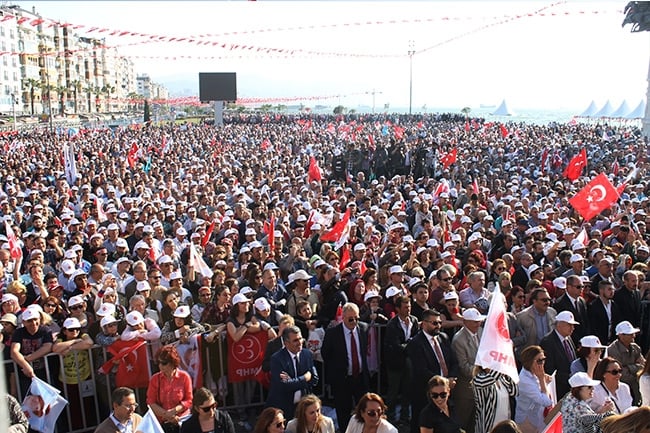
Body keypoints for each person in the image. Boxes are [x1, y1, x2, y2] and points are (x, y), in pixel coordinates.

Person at [407, 308, 458, 433]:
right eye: (434, 323)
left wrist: (451, 378)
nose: (438, 326)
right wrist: (443, 382)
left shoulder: (443, 338)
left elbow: (453, 361)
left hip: (446, 392)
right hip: (425, 393)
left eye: (440, 323)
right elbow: (421, 370)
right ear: (424, 323)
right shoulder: (416, 343)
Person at [321, 302, 369, 432]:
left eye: (357, 318)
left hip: (360, 377)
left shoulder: (364, 329)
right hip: (342, 380)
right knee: (343, 413)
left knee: (364, 410)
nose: (354, 321)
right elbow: (325, 353)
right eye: (351, 319)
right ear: (343, 318)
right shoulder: (333, 333)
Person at [52, 317, 95, 430]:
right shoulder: (60, 339)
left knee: (87, 405)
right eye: (71, 330)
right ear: (65, 330)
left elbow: (89, 343)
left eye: (77, 329)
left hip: (84, 377)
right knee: (73, 408)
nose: (75, 332)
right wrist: (74, 342)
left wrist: (69, 348)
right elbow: (56, 348)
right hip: (68, 380)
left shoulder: (83, 336)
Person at [266, 326, 318, 419]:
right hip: (284, 406)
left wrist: (292, 381)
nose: (299, 343)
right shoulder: (277, 359)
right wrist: (304, 378)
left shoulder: (307, 354)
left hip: (303, 406)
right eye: (295, 340)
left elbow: (314, 379)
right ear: (286, 343)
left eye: (300, 339)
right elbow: (283, 385)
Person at [383, 294, 418, 425]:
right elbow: (396, 345)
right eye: (405, 307)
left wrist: (409, 345)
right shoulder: (392, 324)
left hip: (409, 362)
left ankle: (405, 417)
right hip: (395, 362)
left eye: (409, 307)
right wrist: (410, 344)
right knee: (393, 391)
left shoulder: (414, 320)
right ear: (398, 309)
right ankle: (390, 416)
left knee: (407, 391)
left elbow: (416, 339)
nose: (408, 310)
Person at [147, 345, 193, 433]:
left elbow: (188, 400)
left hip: (181, 420)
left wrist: (174, 412)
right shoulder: (154, 379)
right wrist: (167, 415)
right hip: (162, 423)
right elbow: (151, 402)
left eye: (164, 363)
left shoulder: (184, 377)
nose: (160, 366)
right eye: (158, 362)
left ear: (172, 362)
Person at [10, 307, 53, 397]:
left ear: (39, 319)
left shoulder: (45, 330)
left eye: (35, 319)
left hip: (44, 374)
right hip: (24, 377)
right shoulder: (19, 332)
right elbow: (14, 351)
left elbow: (47, 347)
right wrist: (26, 366)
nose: (33, 323)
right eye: (29, 321)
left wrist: (28, 358)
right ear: (24, 322)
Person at [539, 310, 579, 398]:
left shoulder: (568, 338)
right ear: (559, 325)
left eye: (573, 325)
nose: (572, 328)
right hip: (558, 390)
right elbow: (549, 370)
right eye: (569, 325)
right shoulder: (548, 342)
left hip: (571, 387)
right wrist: (569, 378)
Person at [605, 320, 645, 405]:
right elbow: (621, 374)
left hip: (637, 389)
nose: (633, 336)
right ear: (621, 335)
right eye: (630, 334)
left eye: (633, 334)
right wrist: (636, 369)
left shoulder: (636, 348)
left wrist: (629, 368)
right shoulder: (613, 350)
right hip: (621, 390)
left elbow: (644, 366)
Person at [514, 345, 552, 433]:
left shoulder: (534, 373)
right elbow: (546, 402)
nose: (542, 364)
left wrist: (544, 381)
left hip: (537, 419)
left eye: (543, 360)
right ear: (530, 362)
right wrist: (542, 379)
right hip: (526, 422)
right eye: (539, 361)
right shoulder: (524, 380)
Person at [472, 367, 518, 433]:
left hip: (504, 426)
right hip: (488, 427)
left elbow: (514, 392)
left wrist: (508, 372)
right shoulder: (478, 378)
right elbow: (491, 378)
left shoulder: (501, 379)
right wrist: (501, 366)